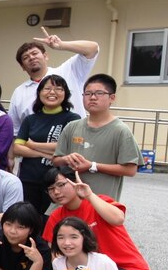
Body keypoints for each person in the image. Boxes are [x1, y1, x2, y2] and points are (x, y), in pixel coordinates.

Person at [42, 167, 152, 270]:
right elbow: (56, 255)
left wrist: (89, 195)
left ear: (75, 182)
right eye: (51, 189)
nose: (56, 192)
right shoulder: (56, 217)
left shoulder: (97, 201)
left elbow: (118, 219)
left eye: (61, 185)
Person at [52, 73, 141, 202]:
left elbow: (131, 169)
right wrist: (67, 159)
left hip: (102, 203)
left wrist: (91, 166)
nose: (92, 98)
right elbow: (56, 160)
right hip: (70, 202)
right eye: (87, 94)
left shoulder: (121, 130)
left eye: (99, 93)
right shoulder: (72, 126)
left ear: (112, 98)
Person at [10, 29, 98, 135]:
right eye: (26, 57)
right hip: (35, 148)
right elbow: (15, 130)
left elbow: (93, 49)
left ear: (45, 56)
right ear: (22, 66)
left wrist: (61, 45)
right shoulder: (19, 92)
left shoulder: (69, 70)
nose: (31, 58)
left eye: (34, 53)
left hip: (75, 141)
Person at [13, 75, 80, 213]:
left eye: (58, 89)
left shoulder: (73, 119)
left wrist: (32, 145)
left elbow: (68, 146)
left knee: (53, 220)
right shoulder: (31, 119)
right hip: (29, 178)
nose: (52, 92)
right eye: (47, 88)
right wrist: (48, 154)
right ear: (39, 93)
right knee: (29, 218)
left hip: (58, 181)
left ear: (65, 94)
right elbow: (17, 148)